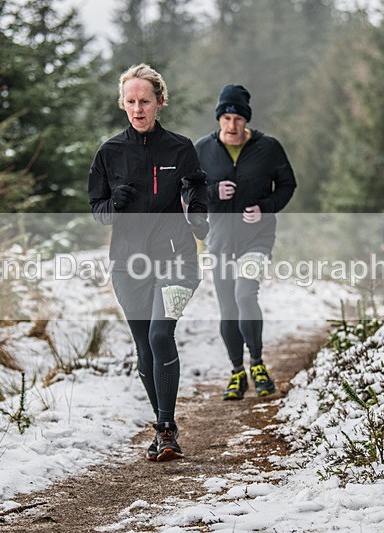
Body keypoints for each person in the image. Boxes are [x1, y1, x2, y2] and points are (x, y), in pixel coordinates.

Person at [88, 64, 209, 462]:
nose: (138, 109)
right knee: (144, 346)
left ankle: (167, 428)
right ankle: (162, 426)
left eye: (145, 101)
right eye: (131, 101)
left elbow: (195, 187)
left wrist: (198, 213)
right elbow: (98, 210)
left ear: (160, 101)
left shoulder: (180, 148)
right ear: (122, 104)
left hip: (176, 259)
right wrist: (114, 204)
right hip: (129, 264)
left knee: (160, 335)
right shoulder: (109, 152)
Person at [195, 84, 296, 401]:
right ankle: (237, 372)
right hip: (220, 241)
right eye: (226, 118)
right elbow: (187, 190)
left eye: (238, 118)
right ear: (218, 119)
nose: (232, 124)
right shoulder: (202, 150)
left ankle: (258, 364)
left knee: (245, 294)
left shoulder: (269, 147)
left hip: (257, 239)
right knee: (228, 309)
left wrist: (265, 207)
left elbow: (287, 185)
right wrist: (213, 192)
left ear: (246, 120)